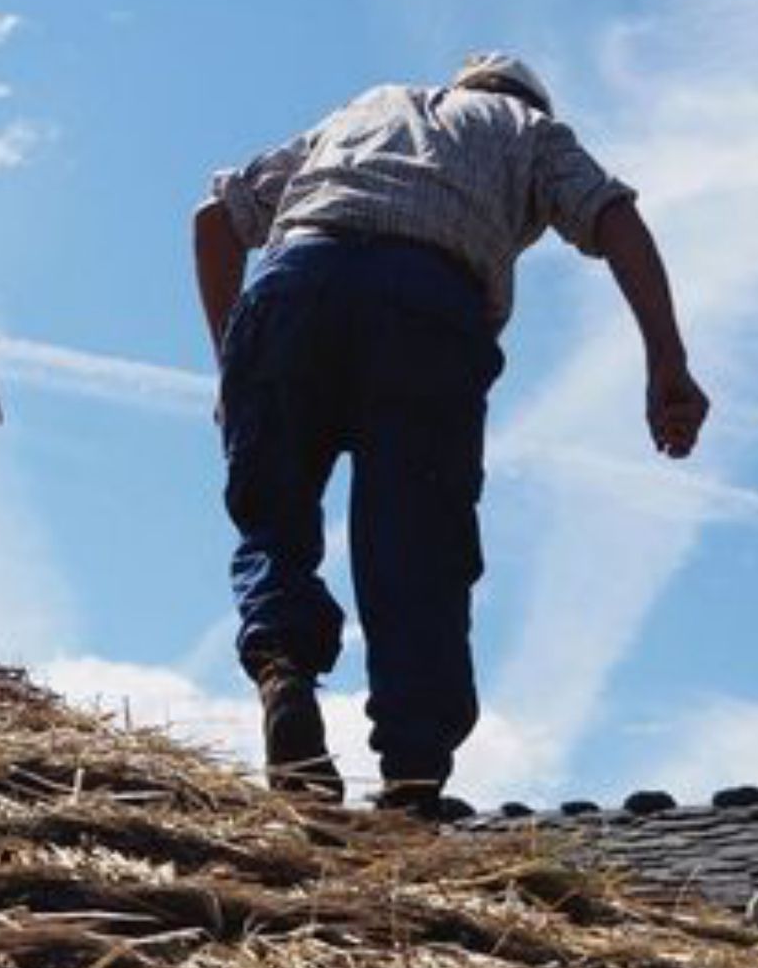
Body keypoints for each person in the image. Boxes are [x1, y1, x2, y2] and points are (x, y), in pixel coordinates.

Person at [193, 51, 709, 821]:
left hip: (294, 283)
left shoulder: (365, 107)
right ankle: (411, 774)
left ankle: (283, 667)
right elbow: (615, 217)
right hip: (426, 308)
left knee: (275, 510)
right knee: (417, 542)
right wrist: (668, 361)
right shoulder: (529, 128)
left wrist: (232, 370)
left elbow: (214, 221)